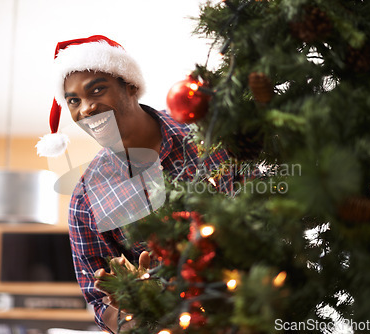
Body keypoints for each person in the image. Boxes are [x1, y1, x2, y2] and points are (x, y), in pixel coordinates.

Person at [37, 35, 232, 333]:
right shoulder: (86, 201)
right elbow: (100, 305)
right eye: (73, 100)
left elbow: (267, 219)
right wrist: (135, 309)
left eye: (97, 89)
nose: (86, 108)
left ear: (130, 86)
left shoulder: (205, 135)